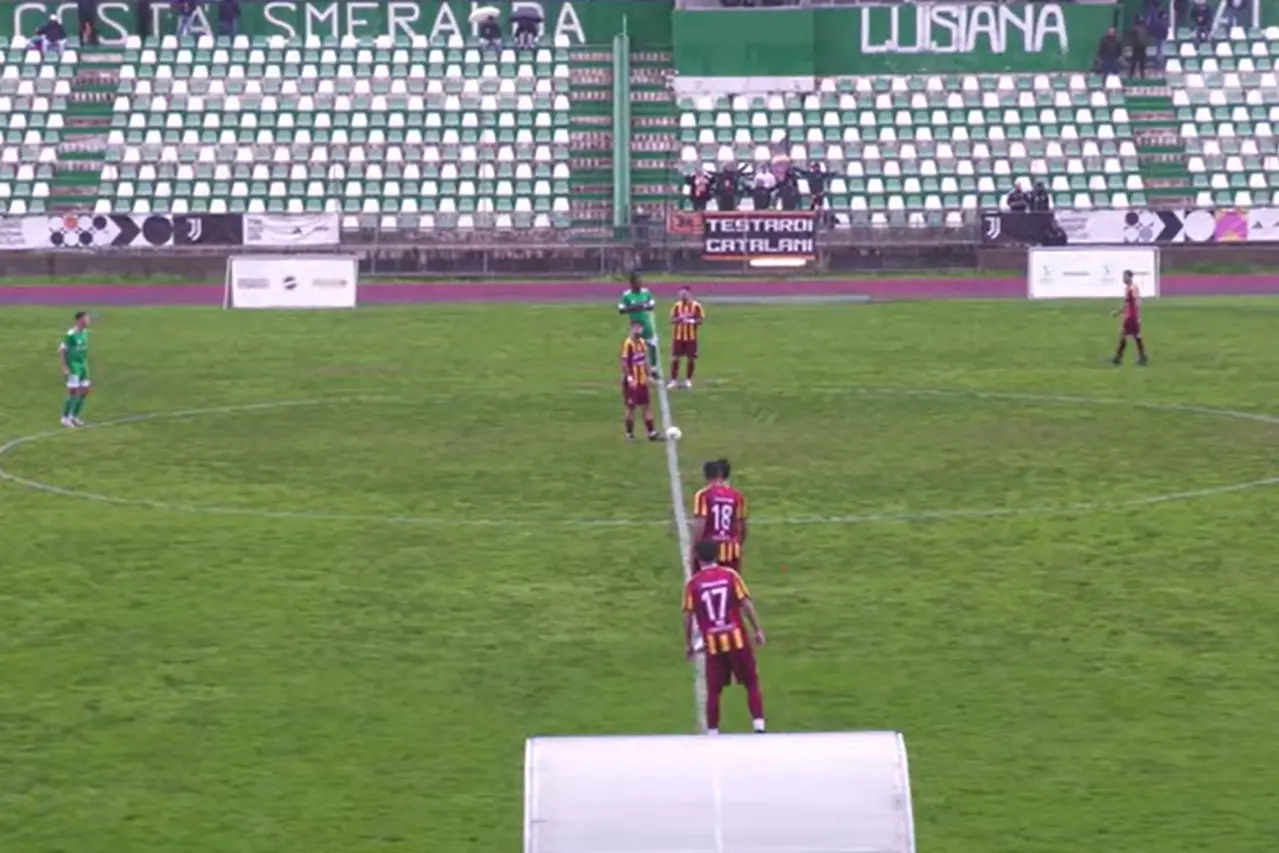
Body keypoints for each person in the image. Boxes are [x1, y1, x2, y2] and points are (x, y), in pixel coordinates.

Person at [683, 539, 766, 735]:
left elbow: (687, 616)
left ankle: (713, 732)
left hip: (712, 642)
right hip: (736, 638)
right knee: (751, 682)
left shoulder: (693, 584)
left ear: (697, 559)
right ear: (717, 556)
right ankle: (759, 726)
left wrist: (688, 644)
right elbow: (745, 604)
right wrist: (757, 629)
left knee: (714, 690)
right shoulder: (730, 576)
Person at [692, 459, 749, 573]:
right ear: (720, 474)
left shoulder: (703, 495)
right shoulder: (737, 495)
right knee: (731, 586)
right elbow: (741, 527)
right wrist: (737, 545)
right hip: (731, 550)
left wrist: (695, 548)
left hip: (709, 552)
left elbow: (700, 525)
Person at [620, 322, 660, 442]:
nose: (638, 330)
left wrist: (648, 376)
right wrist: (629, 378)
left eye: (640, 328)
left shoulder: (642, 342)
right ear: (631, 329)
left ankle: (651, 433)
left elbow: (645, 361)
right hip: (632, 383)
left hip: (642, 382)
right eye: (636, 328)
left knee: (646, 406)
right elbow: (624, 362)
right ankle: (629, 434)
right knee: (630, 408)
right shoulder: (628, 344)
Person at [617, 271, 660, 375]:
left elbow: (652, 305)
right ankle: (632, 370)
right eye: (638, 281)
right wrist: (636, 307)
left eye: (641, 280)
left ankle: (653, 369)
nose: (641, 282)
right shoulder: (627, 295)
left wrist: (641, 306)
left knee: (652, 345)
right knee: (634, 348)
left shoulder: (646, 292)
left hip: (646, 324)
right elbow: (621, 309)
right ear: (632, 283)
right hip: (635, 325)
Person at [667, 286, 705, 390]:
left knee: (691, 359)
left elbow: (701, 320)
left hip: (691, 337)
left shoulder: (696, 306)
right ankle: (673, 380)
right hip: (678, 337)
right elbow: (671, 320)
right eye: (680, 294)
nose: (682, 296)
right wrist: (679, 319)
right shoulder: (676, 306)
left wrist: (692, 321)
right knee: (675, 358)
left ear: (689, 294)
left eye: (684, 294)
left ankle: (688, 380)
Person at [59, 311, 91, 427]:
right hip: (73, 365)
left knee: (85, 390)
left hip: (83, 365)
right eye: (86, 318)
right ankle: (65, 417)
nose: (88, 321)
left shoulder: (85, 333)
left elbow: (82, 350)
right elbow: (62, 350)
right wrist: (64, 367)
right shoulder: (71, 334)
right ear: (79, 320)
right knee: (73, 391)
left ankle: (74, 416)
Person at [1111, 270, 1149, 366]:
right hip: (1131, 315)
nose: (1123, 278)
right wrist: (1118, 312)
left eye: (1125, 276)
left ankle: (1118, 358)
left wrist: (1137, 316)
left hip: (1131, 316)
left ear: (1129, 277)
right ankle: (1142, 357)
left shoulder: (1132, 288)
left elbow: (1137, 302)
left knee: (1125, 335)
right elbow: (1126, 304)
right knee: (1135, 336)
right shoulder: (1128, 288)